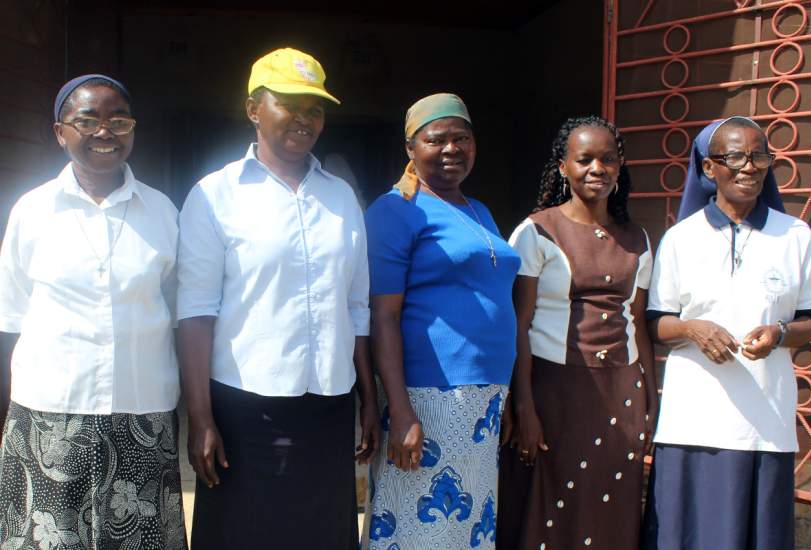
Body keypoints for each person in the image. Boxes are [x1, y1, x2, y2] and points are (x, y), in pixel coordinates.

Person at [176, 48, 378, 549]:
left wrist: (368, 400)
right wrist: (200, 417)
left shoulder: (340, 197)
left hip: (329, 406)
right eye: (287, 103)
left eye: (314, 108)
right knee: (246, 533)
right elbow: (196, 312)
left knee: (321, 533)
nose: (303, 119)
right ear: (252, 109)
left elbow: (356, 307)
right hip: (246, 407)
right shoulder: (214, 195)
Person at [0, 74, 185, 549]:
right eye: (88, 120)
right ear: (61, 132)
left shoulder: (162, 212)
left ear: (133, 130)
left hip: (142, 412)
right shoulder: (32, 211)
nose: (106, 132)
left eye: (119, 121)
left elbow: (179, 305)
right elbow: (12, 315)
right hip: (51, 413)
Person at [641, 116, 811, 550]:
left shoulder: (795, 236)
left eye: (760, 156)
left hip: (764, 419)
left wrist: (779, 333)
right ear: (708, 168)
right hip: (693, 420)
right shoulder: (681, 238)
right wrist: (692, 328)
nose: (750, 166)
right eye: (736, 156)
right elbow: (656, 322)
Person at [361, 93, 521, 549]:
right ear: (410, 148)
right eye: (437, 139)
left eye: (462, 138)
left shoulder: (478, 210)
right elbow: (384, 316)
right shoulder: (396, 211)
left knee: (465, 526)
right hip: (429, 394)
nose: (452, 149)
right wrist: (401, 410)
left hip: (483, 397)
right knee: (415, 525)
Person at [496, 116, 657, 550]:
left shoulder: (637, 238)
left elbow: (637, 322)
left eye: (607, 160)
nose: (597, 169)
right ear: (563, 167)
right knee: (552, 500)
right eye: (584, 159)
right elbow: (518, 324)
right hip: (554, 391)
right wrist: (523, 405)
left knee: (612, 499)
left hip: (622, 389)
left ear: (620, 167)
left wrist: (650, 397)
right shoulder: (537, 231)